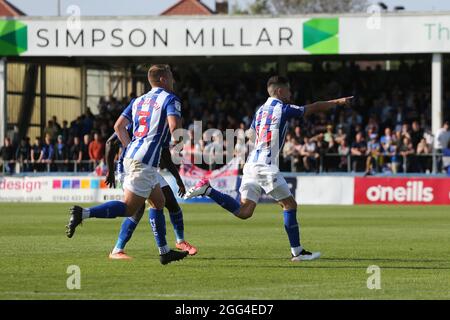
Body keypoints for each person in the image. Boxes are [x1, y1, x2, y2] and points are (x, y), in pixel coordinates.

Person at [184, 75, 353, 262]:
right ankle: (297, 252)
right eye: (288, 90)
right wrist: (337, 102)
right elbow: (312, 108)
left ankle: (208, 190)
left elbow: (251, 135)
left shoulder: (260, 111)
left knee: (244, 211)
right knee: (289, 205)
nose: (291, 93)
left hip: (251, 164)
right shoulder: (283, 108)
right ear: (280, 91)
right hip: (265, 165)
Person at [66, 64, 189, 265]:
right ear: (163, 79)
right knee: (128, 209)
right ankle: (83, 213)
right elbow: (175, 129)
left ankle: (164, 252)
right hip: (144, 162)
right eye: (171, 77)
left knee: (158, 202)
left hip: (134, 156)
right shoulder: (170, 99)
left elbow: (118, 127)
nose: (173, 81)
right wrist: (179, 142)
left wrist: (130, 146)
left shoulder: (138, 101)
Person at [104, 122, 197, 260]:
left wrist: (177, 178)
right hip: (129, 169)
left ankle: (180, 241)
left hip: (149, 169)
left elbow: (165, 154)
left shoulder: (162, 129)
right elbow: (110, 143)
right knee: (137, 209)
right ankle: (117, 249)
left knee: (171, 201)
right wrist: (110, 171)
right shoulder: (137, 123)